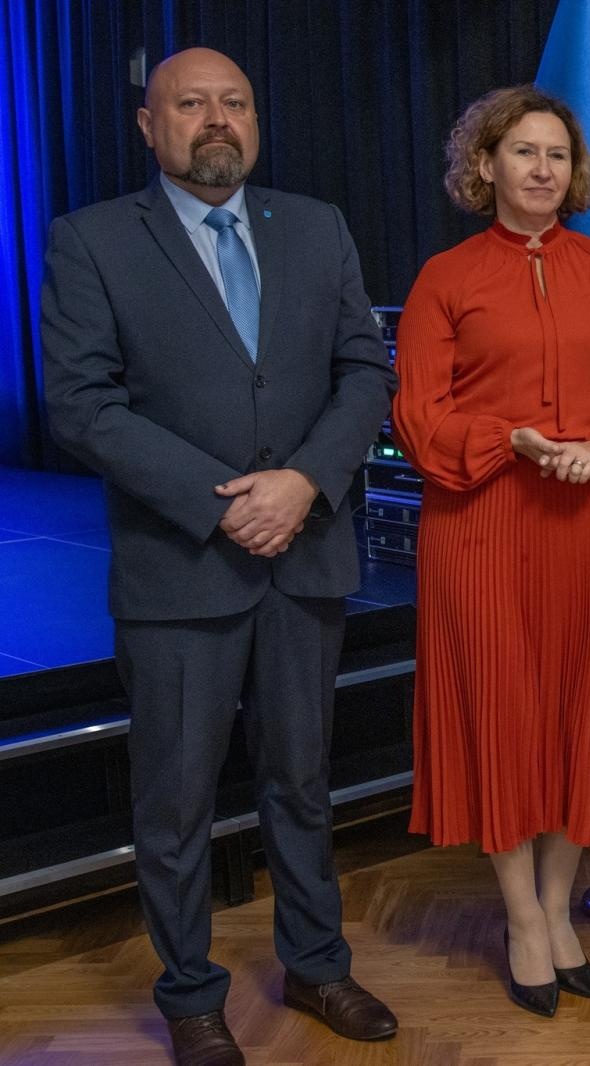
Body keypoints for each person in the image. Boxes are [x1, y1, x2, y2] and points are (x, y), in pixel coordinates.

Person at [40, 47, 398, 1066]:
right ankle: (192, 994)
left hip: (306, 557)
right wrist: (227, 503)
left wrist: (306, 483)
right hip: (179, 570)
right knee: (177, 797)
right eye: (189, 104)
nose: (216, 120)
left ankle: (317, 965)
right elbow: (83, 402)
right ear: (148, 126)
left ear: (255, 120)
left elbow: (363, 367)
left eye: (234, 103)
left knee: (302, 778)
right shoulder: (92, 240)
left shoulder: (316, 226)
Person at [391, 86, 590, 1018]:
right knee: (503, 718)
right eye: (523, 152)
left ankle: (559, 910)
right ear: (486, 167)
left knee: (580, 713)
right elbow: (418, 417)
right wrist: (510, 440)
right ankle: (518, 917)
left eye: (558, 154)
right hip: (482, 525)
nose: (543, 169)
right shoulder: (446, 277)